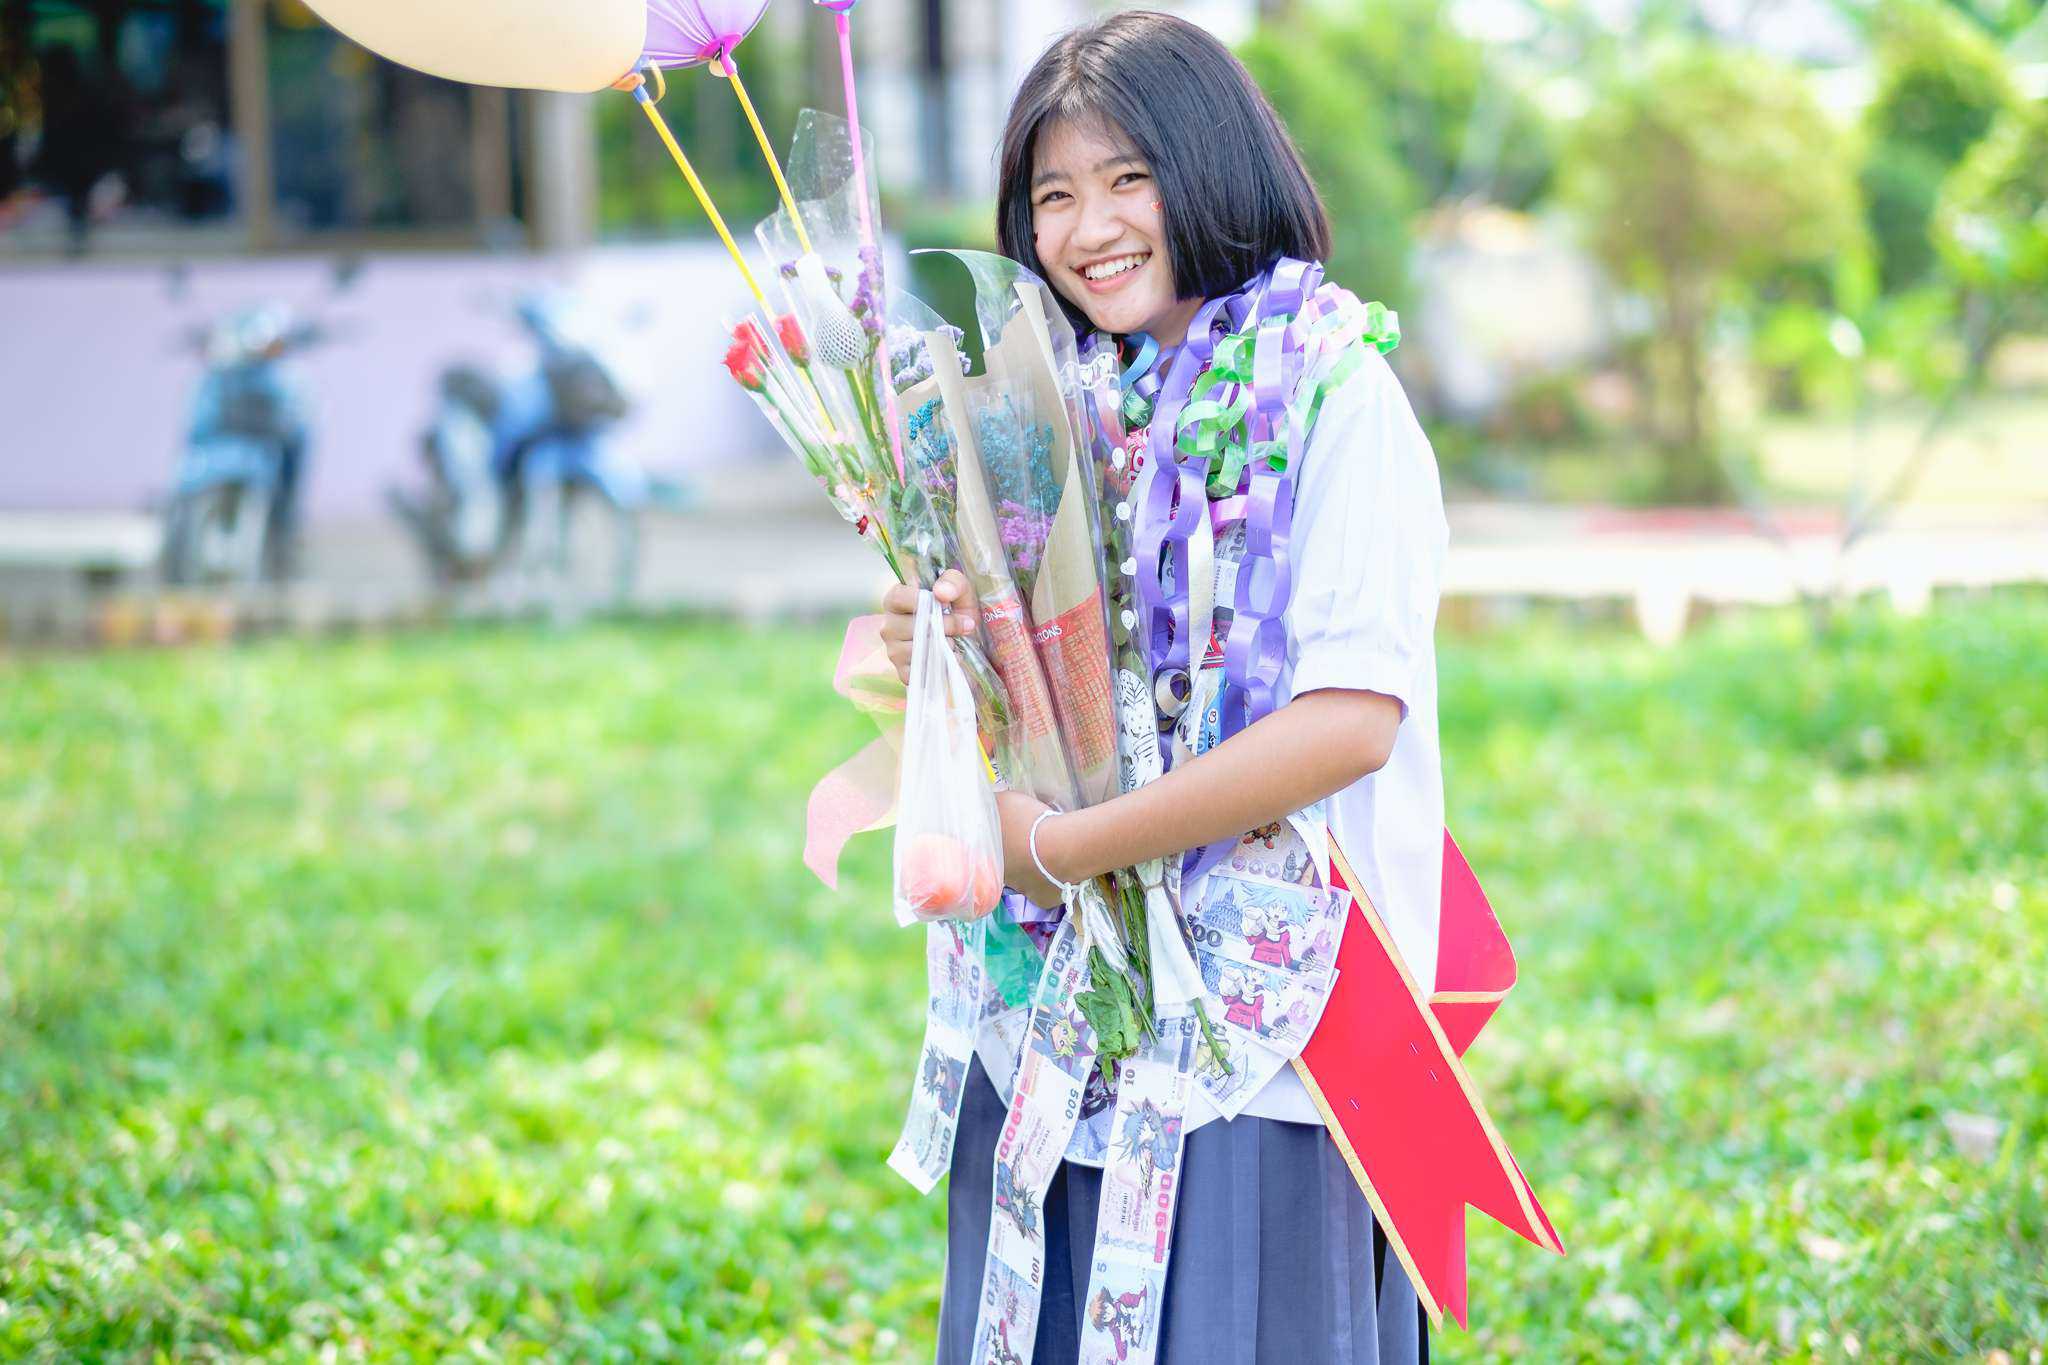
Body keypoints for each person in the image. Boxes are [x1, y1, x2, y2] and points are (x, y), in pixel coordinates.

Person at [876, 12, 1446, 1362]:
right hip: (1058, 1016)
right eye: (1053, 195)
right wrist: (943, 654)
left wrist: (1066, 849)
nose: (1089, 229)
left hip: (1264, 1032)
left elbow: (1347, 722)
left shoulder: (1336, 394)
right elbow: (1051, 689)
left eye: (1127, 178)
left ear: (1211, 165)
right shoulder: (1048, 420)